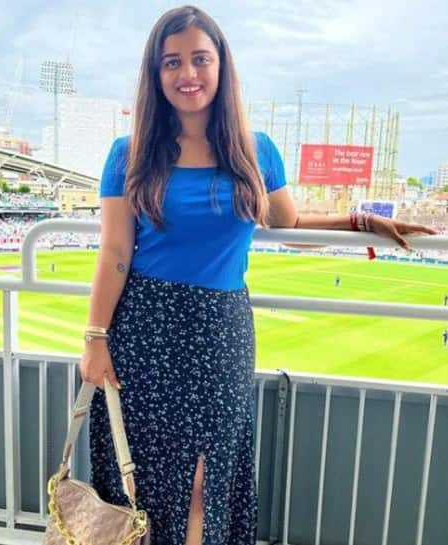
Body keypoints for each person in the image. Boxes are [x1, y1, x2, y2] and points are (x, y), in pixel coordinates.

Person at [77, 7, 437, 545]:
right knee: (142, 483)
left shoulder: (255, 149)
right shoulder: (127, 154)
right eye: (171, 63)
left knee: (205, 478)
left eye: (200, 59)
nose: (187, 74)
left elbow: (288, 224)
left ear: (222, 67)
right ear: (156, 75)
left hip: (220, 332)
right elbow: (115, 252)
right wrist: (95, 338)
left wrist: (363, 222)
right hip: (143, 332)